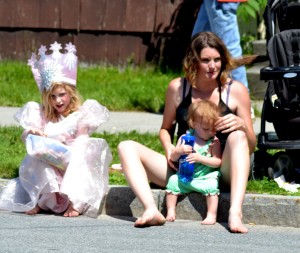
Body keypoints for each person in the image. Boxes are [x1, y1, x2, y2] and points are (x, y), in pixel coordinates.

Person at [118, 31, 256, 233]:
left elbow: (250, 146)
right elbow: (166, 129)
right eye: (206, 60)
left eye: (217, 60)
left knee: (238, 135)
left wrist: (242, 126)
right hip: (184, 169)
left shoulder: (235, 90)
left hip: (220, 170)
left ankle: (235, 212)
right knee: (126, 146)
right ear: (193, 61)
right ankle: (151, 210)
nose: (212, 66)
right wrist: (169, 149)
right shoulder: (178, 88)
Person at [0, 42, 112, 218]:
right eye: (52, 97)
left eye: (62, 95)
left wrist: (67, 147)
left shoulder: (80, 114)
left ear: (71, 94)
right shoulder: (43, 114)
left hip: (71, 158)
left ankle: (75, 202)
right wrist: (33, 132)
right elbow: (30, 138)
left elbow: (82, 142)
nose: (58, 101)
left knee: (80, 158)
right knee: (34, 158)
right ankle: (39, 200)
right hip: (50, 159)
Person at [166, 100, 222, 224]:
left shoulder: (213, 141)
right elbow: (173, 158)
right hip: (186, 177)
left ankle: (211, 215)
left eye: (214, 129)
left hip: (204, 177)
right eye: (206, 129)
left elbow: (217, 162)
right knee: (173, 181)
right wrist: (179, 151)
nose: (211, 132)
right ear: (194, 123)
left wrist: (200, 158)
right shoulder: (185, 139)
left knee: (212, 185)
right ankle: (170, 210)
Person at [192, 0, 248, 90]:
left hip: (221, 2)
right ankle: (197, 95)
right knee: (197, 44)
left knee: (229, 50)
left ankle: (243, 98)